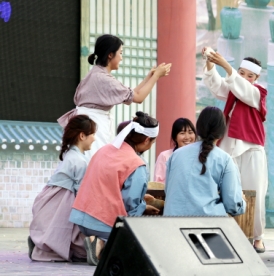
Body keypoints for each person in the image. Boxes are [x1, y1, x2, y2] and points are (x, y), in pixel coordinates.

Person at [58, 34, 171, 159]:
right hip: (93, 124)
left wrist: (150, 77)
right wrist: (156, 77)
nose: (122, 58)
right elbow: (138, 98)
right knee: (95, 164)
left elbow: (131, 94)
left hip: (89, 123)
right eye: (120, 53)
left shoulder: (96, 74)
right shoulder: (104, 79)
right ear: (110, 55)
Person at [69, 112, 160, 266]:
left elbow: (107, 187)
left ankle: (94, 241)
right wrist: (143, 207)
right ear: (146, 140)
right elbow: (130, 206)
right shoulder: (137, 163)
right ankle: (101, 243)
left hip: (80, 217)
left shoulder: (104, 150)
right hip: (102, 222)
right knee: (143, 243)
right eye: (152, 142)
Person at [202, 48, 268, 253]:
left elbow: (242, 89)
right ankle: (228, 233)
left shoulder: (258, 93)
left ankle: (257, 237)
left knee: (255, 194)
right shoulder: (233, 88)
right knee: (228, 192)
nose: (245, 78)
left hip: (251, 149)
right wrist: (211, 61)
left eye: (250, 76)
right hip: (229, 147)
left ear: (256, 78)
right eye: (242, 73)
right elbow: (216, 85)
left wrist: (227, 67)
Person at [28, 115, 97, 262]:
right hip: (62, 203)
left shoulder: (70, 155)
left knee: (57, 237)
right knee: (79, 246)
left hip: (49, 202)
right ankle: (41, 245)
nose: (95, 138)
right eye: (92, 134)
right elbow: (82, 195)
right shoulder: (80, 161)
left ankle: (39, 244)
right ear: (82, 135)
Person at [163, 106, 246, 217]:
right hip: (206, 227)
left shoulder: (175, 155)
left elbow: (168, 191)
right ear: (222, 130)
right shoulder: (225, 160)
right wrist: (242, 201)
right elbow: (233, 205)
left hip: (171, 225)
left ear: (198, 128)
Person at [153, 118, 196, 183]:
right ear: (175, 137)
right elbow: (158, 184)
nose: (187, 137)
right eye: (182, 133)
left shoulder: (200, 156)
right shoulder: (165, 156)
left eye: (190, 132)